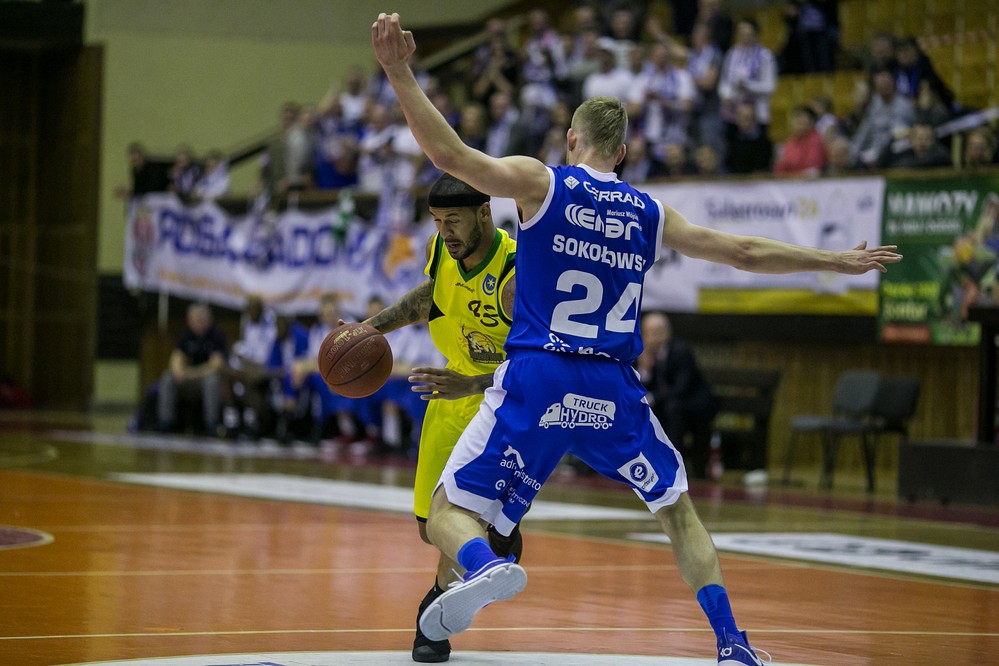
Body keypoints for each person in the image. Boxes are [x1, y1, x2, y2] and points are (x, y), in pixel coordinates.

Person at [371, 13, 901, 665]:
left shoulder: (543, 184)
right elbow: (741, 251)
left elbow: (451, 158)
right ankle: (732, 643)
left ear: (571, 140)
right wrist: (834, 262)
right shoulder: (648, 212)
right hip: (613, 387)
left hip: (540, 376)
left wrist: (398, 71)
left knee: (449, 511)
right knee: (677, 512)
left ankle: (483, 565)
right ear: (621, 152)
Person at [361, 170, 518, 663]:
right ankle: (497, 539)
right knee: (431, 527)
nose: (444, 231)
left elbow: (537, 366)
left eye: (453, 220)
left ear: (484, 213)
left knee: (459, 513)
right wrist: (369, 330)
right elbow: (430, 296)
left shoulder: (515, 274)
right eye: (436, 221)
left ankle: (435, 614)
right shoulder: (443, 250)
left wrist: (473, 385)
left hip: (502, 402)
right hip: (450, 393)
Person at [636, 312, 718, 479]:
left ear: (667, 333)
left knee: (673, 409)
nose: (654, 338)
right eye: (649, 333)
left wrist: (654, 398)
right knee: (647, 411)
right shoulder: (643, 354)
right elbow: (643, 387)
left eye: (658, 332)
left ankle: (673, 465)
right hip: (668, 405)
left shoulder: (680, 350)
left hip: (694, 404)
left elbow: (682, 387)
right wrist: (645, 370)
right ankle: (648, 464)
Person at [156, 302, 227, 435]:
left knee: (211, 381)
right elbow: (176, 357)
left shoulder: (217, 336)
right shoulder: (186, 335)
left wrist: (190, 373)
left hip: (205, 379)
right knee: (168, 377)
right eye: (196, 319)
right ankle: (165, 422)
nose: (199, 322)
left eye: (202, 319)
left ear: (209, 319)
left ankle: (211, 424)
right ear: (190, 321)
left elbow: (216, 365)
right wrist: (178, 371)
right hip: (189, 380)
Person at [774, 105, 828, 176]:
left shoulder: (816, 140)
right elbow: (780, 167)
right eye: (796, 117)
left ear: (812, 122)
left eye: (802, 117)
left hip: (808, 181)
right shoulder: (790, 141)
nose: (799, 121)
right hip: (789, 180)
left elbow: (813, 168)